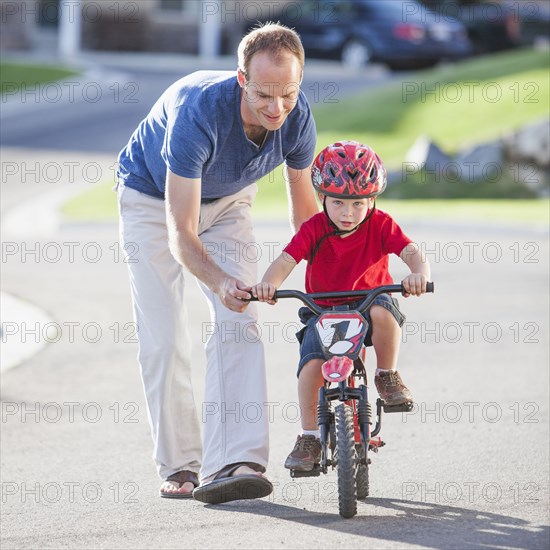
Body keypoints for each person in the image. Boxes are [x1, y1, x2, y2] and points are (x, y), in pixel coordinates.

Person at [115, 23, 319, 502]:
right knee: (164, 339)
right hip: (153, 202)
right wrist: (221, 280)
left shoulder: (296, 116)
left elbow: (307, 217)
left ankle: (237, 460)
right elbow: (181, 232)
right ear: (241, 80)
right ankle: (181, 465)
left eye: (287, 93)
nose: (276, 108)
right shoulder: (198, 112)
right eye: (264, 94)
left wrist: (329, 280)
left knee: (239, 320)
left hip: (228, 201)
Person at [251, 141, 431, 472]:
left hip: (367, 302)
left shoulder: (380, 224)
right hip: (322, 311)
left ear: (372, 200)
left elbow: (410, 252)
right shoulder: (314, 229)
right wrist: (269, 284)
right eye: (338, 203)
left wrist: (419, 274)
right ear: (322, 198)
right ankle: (310, 437)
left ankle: (387, 375)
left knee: (383, 308)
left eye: (358, 203)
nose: (348, 213)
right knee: (310, 368)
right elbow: (285, 260)